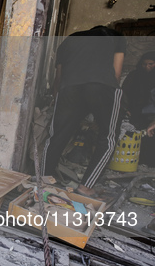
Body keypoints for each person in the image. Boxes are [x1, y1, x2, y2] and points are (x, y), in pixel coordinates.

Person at [42, 26, 126, 198]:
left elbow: (59, 76)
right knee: (108, 137)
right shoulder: (116, 37)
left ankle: (44, 178)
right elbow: (116, 74)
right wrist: (104, 108)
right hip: (102, 87)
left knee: (57, 134)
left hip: (69, 88)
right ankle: (86, 187)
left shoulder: (69, 40)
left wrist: (56, 98)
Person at [122, 51, 155, 166]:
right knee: (135, 138)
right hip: (135, 112)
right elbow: (124, 92)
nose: (147, 67)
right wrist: (125, 108)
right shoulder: (134, 75)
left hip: (151, 115)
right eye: (144, 64)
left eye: (151, 64)